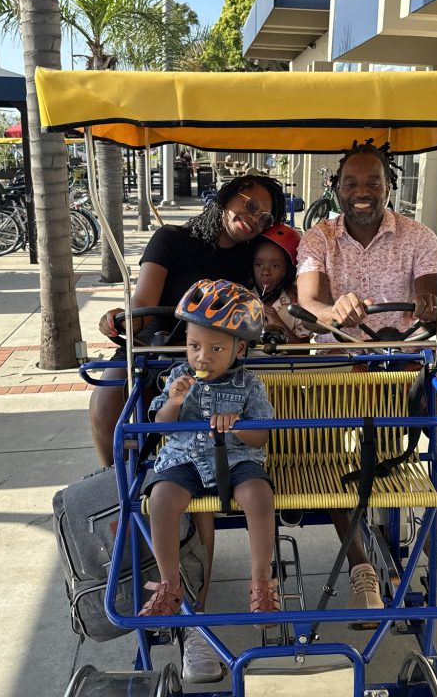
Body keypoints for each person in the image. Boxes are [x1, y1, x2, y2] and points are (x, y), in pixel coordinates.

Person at [89, 174, 285, 682]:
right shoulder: (173, 240)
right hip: (164, 356)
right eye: (248, 204)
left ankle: (201, 610)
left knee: (216, 500)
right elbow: (142, 308)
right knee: (108, 397)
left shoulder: (250, 259)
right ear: (224, 198)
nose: (254, 218)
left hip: (222, 388)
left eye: (265, 215)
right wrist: (125, 324)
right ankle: (122, 488)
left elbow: (269, 296)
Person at [296, 140, 437, 609]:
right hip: (340, 364)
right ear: (336, 188)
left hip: (409, 360)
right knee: (323, 459)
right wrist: (334, 311)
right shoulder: (319, 238)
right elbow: (309, 302)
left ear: (390, 187)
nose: (362, 191)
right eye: (352, 182)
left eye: (373, 182)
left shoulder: (419, 237)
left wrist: (431, 308)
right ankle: (360, 565)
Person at [142, 279, 280, 623]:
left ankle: (261, 581)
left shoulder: (249, 384)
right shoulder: (177, 376)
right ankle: (169, 584)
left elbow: (261, 436)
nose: (203, 356)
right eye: (194, 346)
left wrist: (239, 426)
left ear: (240, 350)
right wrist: (174, 401)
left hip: (236, 460)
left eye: (216, 349)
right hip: (184, 459)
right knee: (160, 500)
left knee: (259, 495)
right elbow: (160, 425)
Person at [252, 223, 309, 344]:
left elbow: (304, 351)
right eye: (258, 265)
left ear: (287, 272)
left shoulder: (296, 304)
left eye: (275, 266)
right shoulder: (241, 300)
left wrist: (277, 322)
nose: (265, 272)